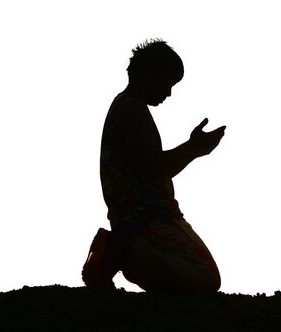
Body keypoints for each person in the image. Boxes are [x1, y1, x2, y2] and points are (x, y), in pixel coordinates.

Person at [82, 39, 225, 293]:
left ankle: (124, 252)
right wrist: (192, 149)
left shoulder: (127, 107)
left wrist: (193, 149)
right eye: (168, 83)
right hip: (147, 218)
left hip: (145, 217)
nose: (168, 93)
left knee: (202, 275)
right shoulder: (131, 109)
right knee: (206, 278)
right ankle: (123, 250)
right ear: (151, 75)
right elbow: (150, 167)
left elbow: (151, 167)